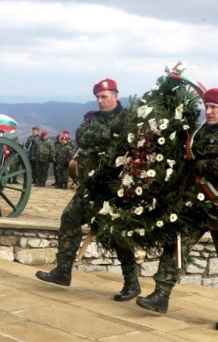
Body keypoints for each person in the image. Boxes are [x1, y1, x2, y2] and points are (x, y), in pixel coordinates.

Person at [136, 88, 218, 331]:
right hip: (196, 205)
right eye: (206, 107)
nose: (208, 112)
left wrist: (195, 162)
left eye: (214, 108)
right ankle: (161, 294)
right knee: (176, 245)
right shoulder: (198, 133)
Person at [35, 78, 141, 302]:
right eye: (98, 97)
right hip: (91, 185)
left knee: (117, 234)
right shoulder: (91, 118)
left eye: (104, 97)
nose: (101, 101)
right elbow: (83, 138)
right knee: (69, 218)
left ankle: (132, 283)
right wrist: (111, 133)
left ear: (115, 96)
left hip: (116, 188)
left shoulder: (130, 119)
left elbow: (136, 145)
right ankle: (63, 271)